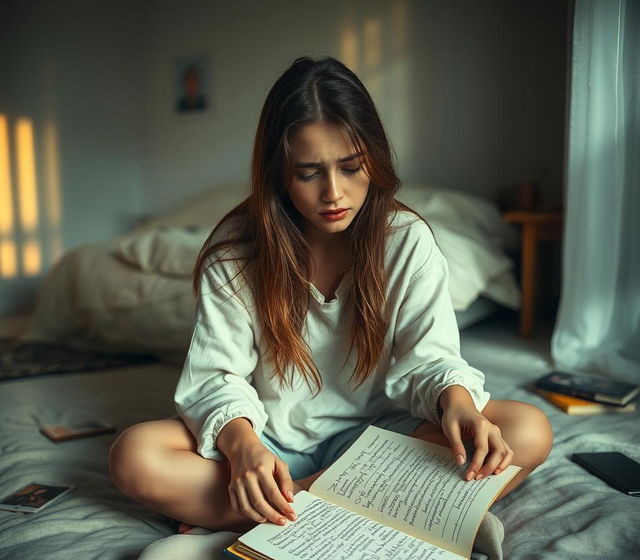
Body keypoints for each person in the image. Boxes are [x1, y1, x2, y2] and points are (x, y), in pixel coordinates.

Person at [110, 56, 552, 532]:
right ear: (278, 172)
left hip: (383, 440)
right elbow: (215, 379)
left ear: (374, 160)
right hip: (271, 442)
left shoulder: (406, 241)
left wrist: (459, 403)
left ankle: (277, 511)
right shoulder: (235, 253)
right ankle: (363, 506)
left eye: (351, 167)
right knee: (135, 456)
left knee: (528, 430)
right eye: (308, 173)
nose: (334, 193)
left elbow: (430, 359)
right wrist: (244, 450)